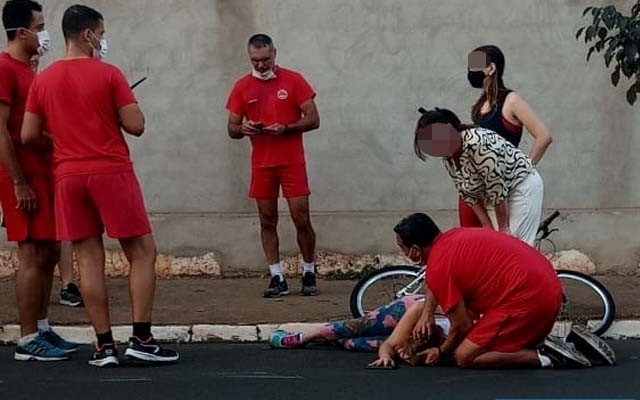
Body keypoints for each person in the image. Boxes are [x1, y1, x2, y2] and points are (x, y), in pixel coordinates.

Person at [21, 4, 178, 367]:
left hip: (68, 175)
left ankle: (104, 345)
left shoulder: (43, 79)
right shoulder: (109, 74)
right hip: (110, 171)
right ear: (89, 34)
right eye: (102, 34)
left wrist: (59, 137)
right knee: (141, 252)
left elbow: (29, 134)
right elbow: (136, 125)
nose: (103, 41)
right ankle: (141, 337)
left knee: (87, 257)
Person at [395, 213, 593, 369]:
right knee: (488, 341)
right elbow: (435, 279)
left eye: (401, 248)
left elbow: (462, 325)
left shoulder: (439, 267)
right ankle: (566, 344)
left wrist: (441, 350)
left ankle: (546, 356)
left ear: (414, 251)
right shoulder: (454, 237)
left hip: (527, 300)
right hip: (548, 289)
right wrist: (427, 313)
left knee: (464, 356)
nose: (402, 253)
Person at [0, 0, 77, 361]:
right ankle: (27, 337)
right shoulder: (3, 69)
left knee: (48, 252)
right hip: (23, 177)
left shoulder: (28, 71)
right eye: (40, 25)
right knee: (31, 254)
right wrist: (18, 182)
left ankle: (43, 326)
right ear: (21, 31)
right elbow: (0, 131)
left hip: (45, 173)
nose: (45, 33)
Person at [226, 34, 320, 298]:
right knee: (267, 220)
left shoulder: (294, 80)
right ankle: (276, 276)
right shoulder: (242, 86)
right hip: (262, 164)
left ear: (274, 54)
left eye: (265, 59)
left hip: (291, 162)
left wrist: (287, 128)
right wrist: (242, 128)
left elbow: (313, 119)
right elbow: (231, 128)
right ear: (249, 57)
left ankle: (309, 268)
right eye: (255, 60)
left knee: (301, 217)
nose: (261, 65)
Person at [414, 107, 543, 245]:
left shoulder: (476, 143)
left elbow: (496, 187)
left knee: (515, 244)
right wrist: (486, 225)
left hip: (520, 184)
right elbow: (467, 193)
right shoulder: (448, 157)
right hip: (493, 196)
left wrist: (503, 228)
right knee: (495, 243)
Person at [459, 45, 553, 228]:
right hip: (475, 189)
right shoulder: (480, 105)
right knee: (472, 243)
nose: (470, 71)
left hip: (498, 190)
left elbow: (544, 137)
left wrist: (519, 173)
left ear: (491, 68)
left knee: (499, 245)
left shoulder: (512, 101)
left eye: (474, 65)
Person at [28, 55, 83, 308]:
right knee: (36, 246)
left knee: (64, 232)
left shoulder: (43, 84)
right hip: (37, 171)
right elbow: (30, 132)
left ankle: (67, 284)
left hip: (57, 167)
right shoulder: (34, 86)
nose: (34, 62)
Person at [270, 295, 450, 366]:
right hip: (410, 310)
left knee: (354, 344)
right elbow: (390, 343)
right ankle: (305, 336)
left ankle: (330, 338)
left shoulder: (437, 346)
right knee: (361, 325)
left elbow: (388, 346)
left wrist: (386, 357)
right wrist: (387, 352)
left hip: (421, 339)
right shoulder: (427, 317)